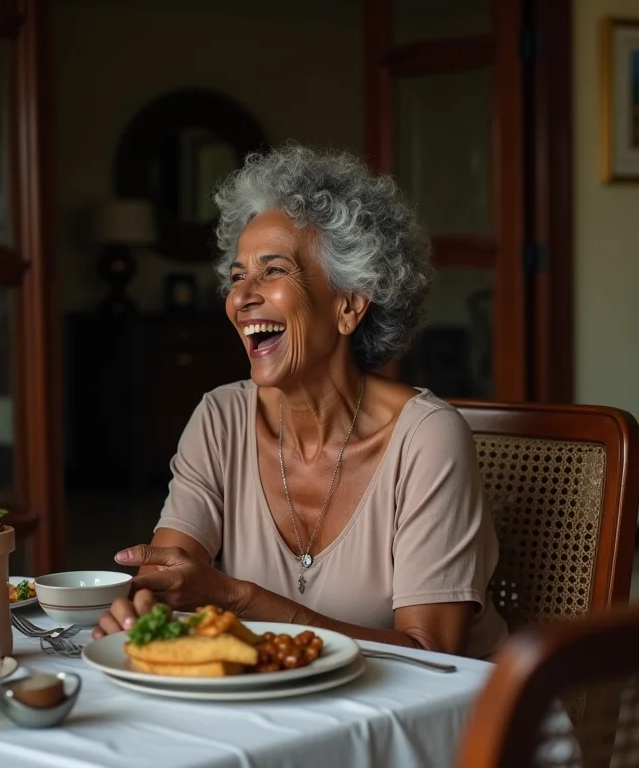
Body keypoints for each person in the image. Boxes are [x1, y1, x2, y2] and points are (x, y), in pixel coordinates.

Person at [94, 144, 508, 658]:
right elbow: (169, 577)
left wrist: (237, 598)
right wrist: (147, 607)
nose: (242, 296)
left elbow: (432, 653)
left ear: (350, 305)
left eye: (273, 271)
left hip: (442, 727)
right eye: (238, 275)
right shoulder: (221, 419)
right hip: (292, 717)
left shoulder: (425, 439)